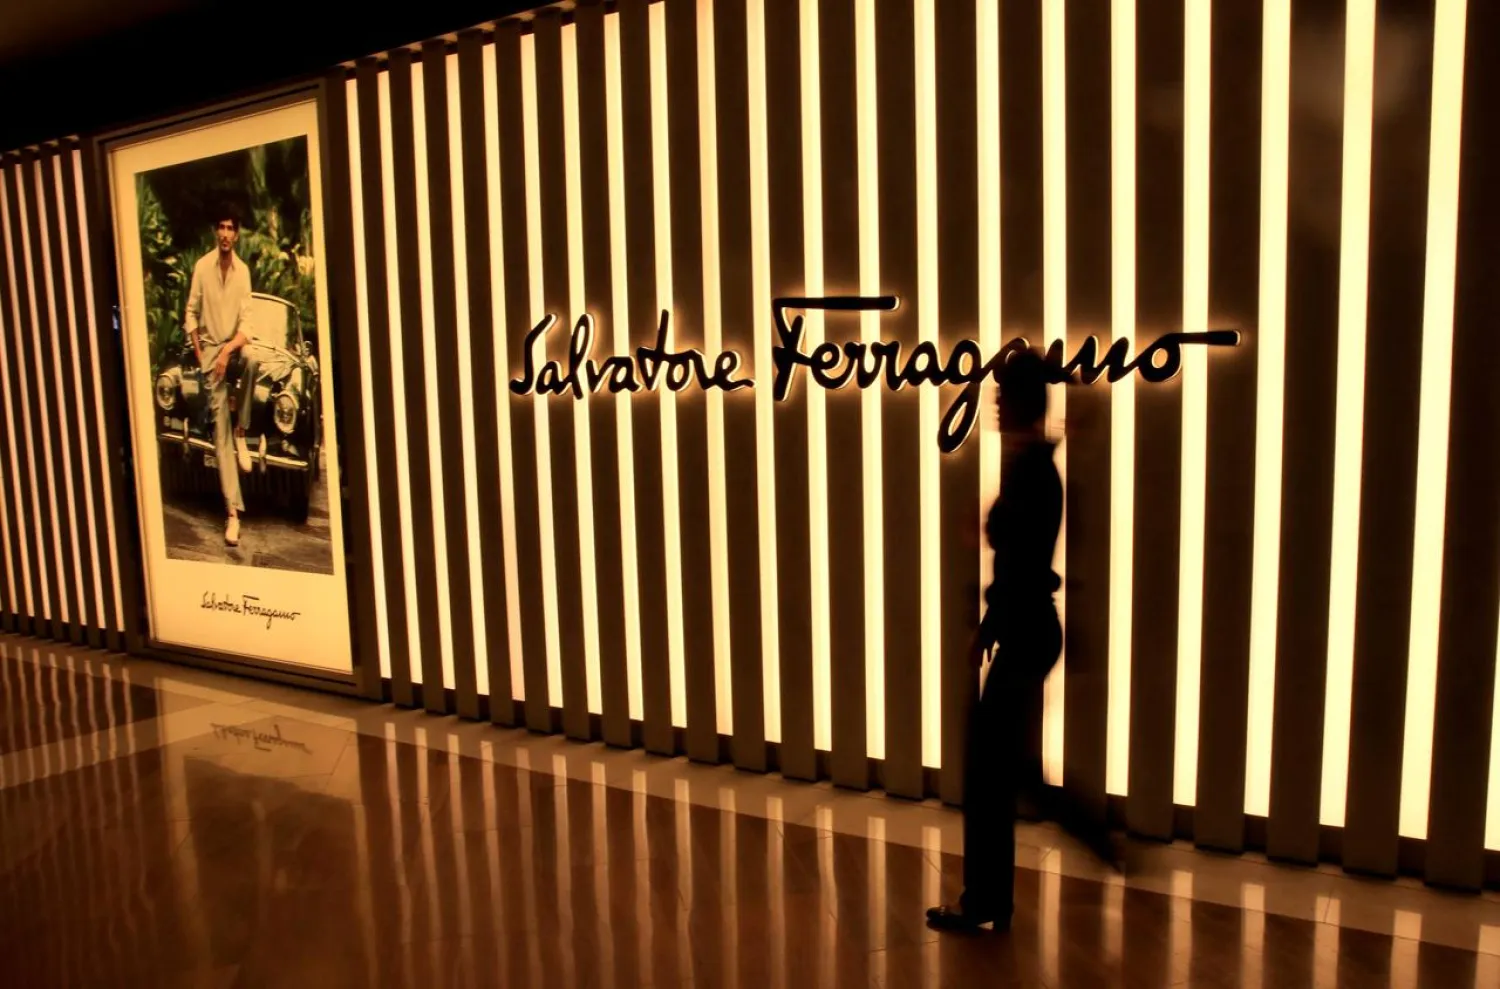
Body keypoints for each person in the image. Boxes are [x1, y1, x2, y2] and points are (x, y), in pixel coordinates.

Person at [926, 348, 1114, 933]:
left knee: (991, 773)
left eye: (1003, 397)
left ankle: (991, 897)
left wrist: (992, 620)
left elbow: (1018, 559)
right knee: (1007, 770)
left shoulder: (1032, 469)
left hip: (1026, 627)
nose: (995, 407)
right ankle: (1081, 845)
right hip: (1029, 628)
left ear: (1025, 402)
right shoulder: (1033, 463)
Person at [183, 207, 258, 547]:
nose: (226, 233)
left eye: (231, 228)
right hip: (211, 353)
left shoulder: (242, 272)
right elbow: (190, 312)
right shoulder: (202, 266)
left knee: (253, 358)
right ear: (216, 232)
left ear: (237, 235)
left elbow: (247, 325)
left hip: (232, 349)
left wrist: (229, 351)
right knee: (220, 435)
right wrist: (203, 354)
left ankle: (243, 427)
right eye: (221, 227)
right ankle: (232, 514)